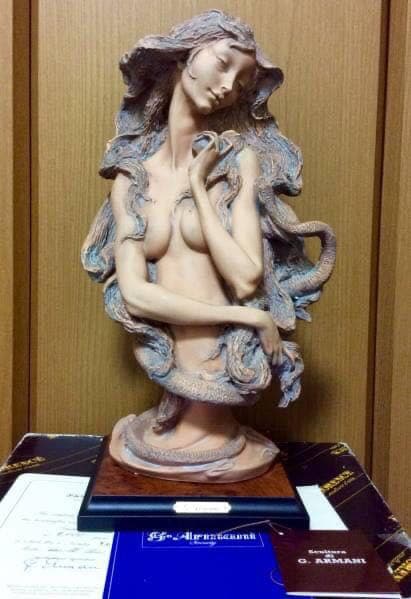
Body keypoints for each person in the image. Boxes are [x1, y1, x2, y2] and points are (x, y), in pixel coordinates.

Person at [82, 10, 336, 482]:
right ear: (184, 58)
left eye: (241, 83)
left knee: (195, 446)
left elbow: (246, 276)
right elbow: (135, 294)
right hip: (175, 367)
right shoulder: (131, 178)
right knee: (149, 445)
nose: (227, 86)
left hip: (225, 368)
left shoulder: (238, 163)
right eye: (222, 64)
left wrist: (199, 189)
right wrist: (249, 317)